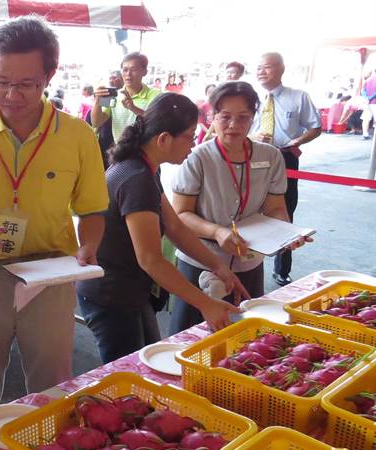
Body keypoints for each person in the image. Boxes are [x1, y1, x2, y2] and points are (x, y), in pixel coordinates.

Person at [0, 16, 108, 422]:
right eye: (1, 81)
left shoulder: (78, 136)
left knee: (51, 395)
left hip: (50, 276)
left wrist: (90, 245)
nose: (11, 95)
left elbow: (93, 210)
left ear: (48, 75)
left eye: (26, 84)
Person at [77, 93, 247, 363]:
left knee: (147, 356)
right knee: (128, 371)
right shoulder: (137, 178)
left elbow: (175, 227)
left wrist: (219, 266)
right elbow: (151, 260)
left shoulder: (145, 168)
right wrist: (206, 304)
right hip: (112, 295)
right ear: (164, 139)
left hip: (129, 291)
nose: (193, 144)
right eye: (190, 136)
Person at [170, 81, 311, 334]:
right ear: (212, 117)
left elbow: (276, 207)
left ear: (254, 118)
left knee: (245, 336)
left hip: (249, 262)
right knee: (192, 336)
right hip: (202, 262)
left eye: (243, 117)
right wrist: (217, 232)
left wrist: (286, 233)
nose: (233, 125)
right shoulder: (198, 157)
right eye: (225, 117)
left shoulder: (270, 156)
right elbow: (180, 214)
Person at [250, 52, 321, 286]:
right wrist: (252, 137)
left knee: (285, 209)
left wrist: (298, 141)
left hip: (284, 158)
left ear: (281, 69)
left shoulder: (298, 97)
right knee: (249, 208)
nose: (261, 71)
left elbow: (315, 127)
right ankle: (249, 262)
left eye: (267, 67)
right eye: (259, 67)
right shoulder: (249, 97)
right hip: (252, 156)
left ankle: (282, 268)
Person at [92, 52, 161, 143]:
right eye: (125, 70)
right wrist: (98, 101)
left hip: (146, 152)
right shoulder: (113, 95)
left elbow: (158, 123)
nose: (128, 74)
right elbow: (96, 122)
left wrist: (133, 108)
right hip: (121, 151)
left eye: (134, 69)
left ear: (145, 72)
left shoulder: (155, 94)